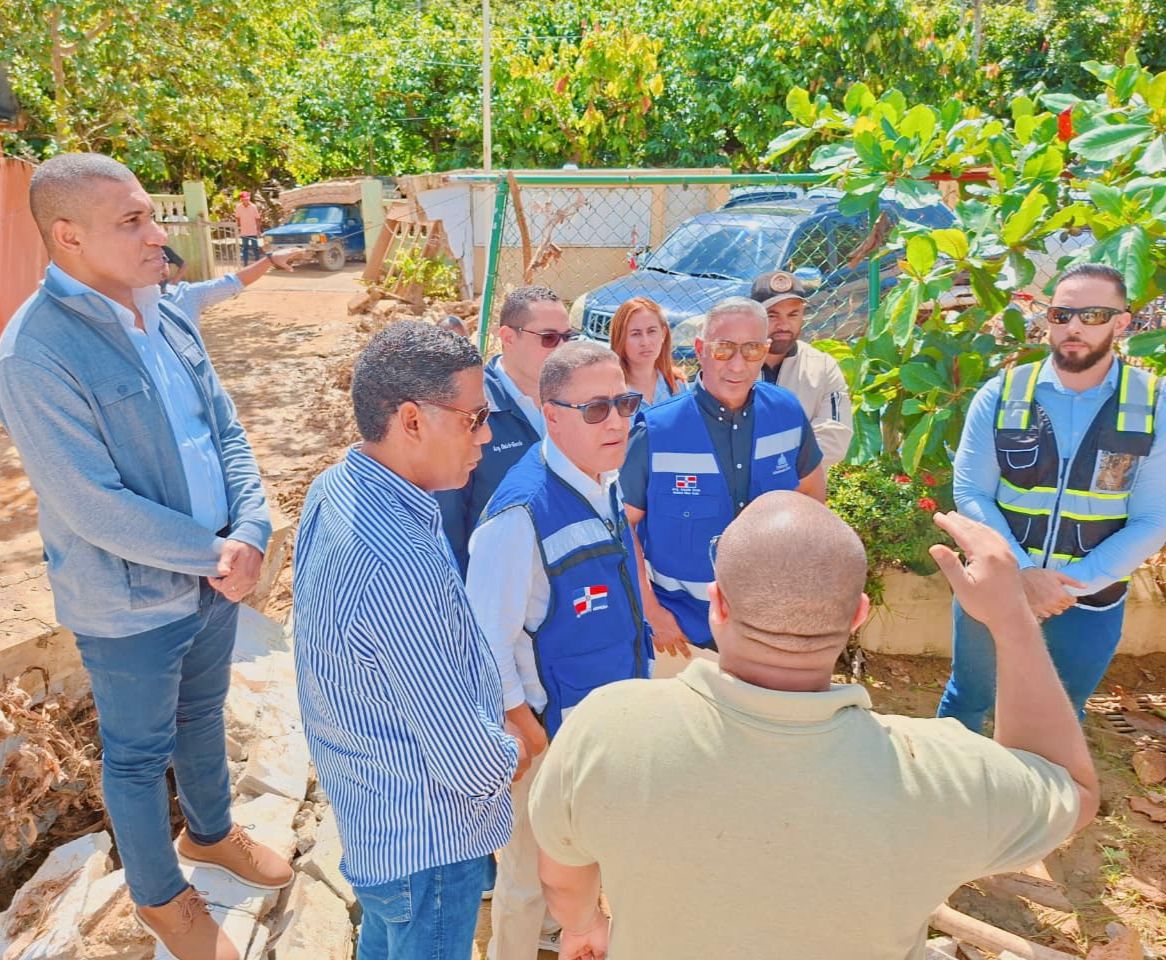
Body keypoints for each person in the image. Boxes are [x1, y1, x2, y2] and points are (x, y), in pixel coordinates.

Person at [528, 494, 1100, 960]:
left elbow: (562, 874)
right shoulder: (943, 774)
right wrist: (1010, 616)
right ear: (858, 616)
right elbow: (1070, 789)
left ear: (717, 604)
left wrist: (582, 926)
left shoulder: (609, 726)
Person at [0, 153, 290, 960]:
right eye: (132, 220)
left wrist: (252, 530)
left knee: (203, 716)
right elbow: (90, 502)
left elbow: (224, 430)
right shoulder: (34, 352)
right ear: (68, 236)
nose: (157, 234)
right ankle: (161, 899)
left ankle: (211, 834)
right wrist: (215, 550)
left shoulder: (163, 312)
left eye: (149, 216)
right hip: (129, 601)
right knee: (135, 757)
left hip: (214, 577)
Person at [292, 321, 528, 960]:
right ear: (412, 420)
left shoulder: (337, 486)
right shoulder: (395, 558)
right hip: (430, 846)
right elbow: (468, 763)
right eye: (475, 418)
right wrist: (517, 752)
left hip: (378, 817)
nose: (486, 436)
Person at [466, 340, 653, 960]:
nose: (617, 421)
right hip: (550, 734)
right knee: (525, 880)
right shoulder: (518, 517)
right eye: (596, 409)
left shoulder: (603, 477)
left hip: (608, 724)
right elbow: (486, 639)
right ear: (551, 415)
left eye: (625, 403)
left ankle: (575, 932)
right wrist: (523, 725)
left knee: (595, 858)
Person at [938, 263, 1166, 731]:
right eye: (1062, 314)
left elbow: (1154, 518)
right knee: (969, 700)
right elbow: (971, 491)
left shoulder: (1153, 406)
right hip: (997, 584)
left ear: (1123, 322)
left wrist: (1065, 588)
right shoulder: (1001, 394)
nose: (1074, 327)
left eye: (1093, 315)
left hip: (1089, 600)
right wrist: (1021, 573)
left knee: (1058, 715)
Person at [620, 296, 826, 654]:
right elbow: (623, 528)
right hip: (684, 629)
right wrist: (652, 613)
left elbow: (811, 497)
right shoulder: (656, 430)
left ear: (765, 351)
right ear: (700, 349)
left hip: (768, 620)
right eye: (723, 349)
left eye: (751, 349)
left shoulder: (787, 414)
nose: (737, 364)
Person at [436, 285, 577, 574]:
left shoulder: (577, 402)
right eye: (549, 338)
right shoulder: (466, 410)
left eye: (568, 337)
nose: (561, 349)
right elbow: (447, 525)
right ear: (508, 338)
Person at [749, 270, 854, 467]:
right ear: (754, 316)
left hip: (802, 483)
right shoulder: (733, 364)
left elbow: (835, 441)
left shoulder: (822, 367)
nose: (784, 325)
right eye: (772, 315)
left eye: (793, 314)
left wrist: (772, 463)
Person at [164, 245, 307, 327]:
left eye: (164, 259)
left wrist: (269, 260)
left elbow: (232, 282)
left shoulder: (183, 296)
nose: (162, 263)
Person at [609, 296, 687, 405]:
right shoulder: (609, 391)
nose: (645, 342)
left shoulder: (677, 384)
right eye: (636, 334)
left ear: (663, 334)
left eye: (651, 331)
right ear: (620, 338)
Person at [233, 191, 262, 267]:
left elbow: (257, 219)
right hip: (244, 232)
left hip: (253, 231)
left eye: (247, 199)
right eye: (244, 199)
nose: (246, 201)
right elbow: (237, 218)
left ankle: (258, 264)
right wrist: (238, 228)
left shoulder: (253, 207)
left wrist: (258, 230)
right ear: (241, 200)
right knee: (245, 248)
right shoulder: (238, 207)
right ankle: (245, 264)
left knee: (255, 248)